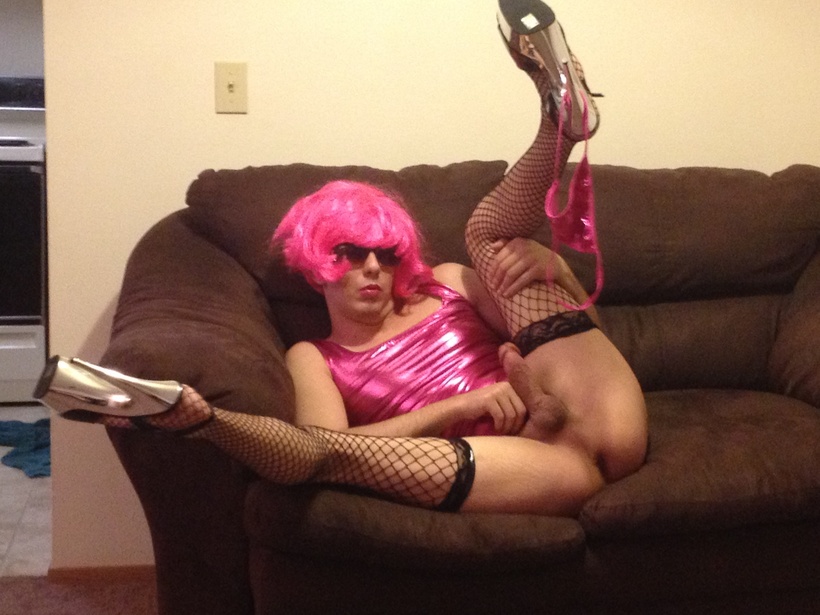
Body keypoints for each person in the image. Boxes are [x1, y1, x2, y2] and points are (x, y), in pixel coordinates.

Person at [38, 0, 647, 517]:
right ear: (316, 265)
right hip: (527, 465)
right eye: (351, 254)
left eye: (386, 252)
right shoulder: (314, 356)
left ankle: (560, 123)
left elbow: (569, 335)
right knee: (321, 454)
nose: (374, 267)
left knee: (488, 237)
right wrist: (461, 407)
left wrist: (558, 274)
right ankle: (186, 414)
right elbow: (325, 449)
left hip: (597, 410)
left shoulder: (447, 283)